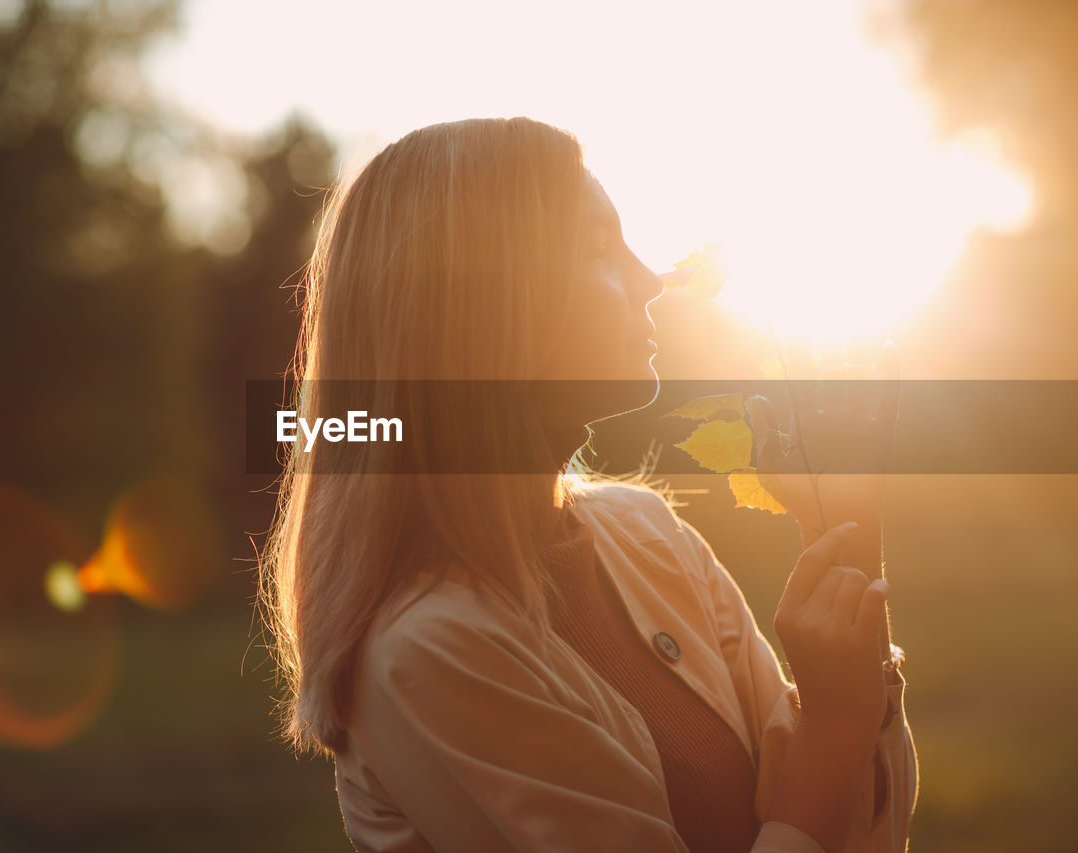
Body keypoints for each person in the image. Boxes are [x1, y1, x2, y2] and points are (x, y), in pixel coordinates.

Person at [258, 116, 918, 852]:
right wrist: (832, 722)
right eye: (598, 248)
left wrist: (851, 530)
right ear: (484, 310)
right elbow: (827, 765)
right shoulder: (429, 650)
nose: (650, 280)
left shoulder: (650, 532)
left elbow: (862, 828)